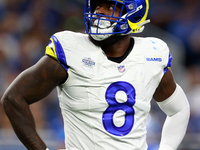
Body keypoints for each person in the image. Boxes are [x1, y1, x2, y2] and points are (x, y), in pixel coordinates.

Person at [1, 0, 190, 150]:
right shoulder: (71, 49)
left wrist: (167, 147)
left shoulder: (151, 54)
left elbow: (179, 110)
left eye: (109, 6)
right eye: (97, 5)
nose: (99, 11)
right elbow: (13, 98)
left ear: (134, 12)